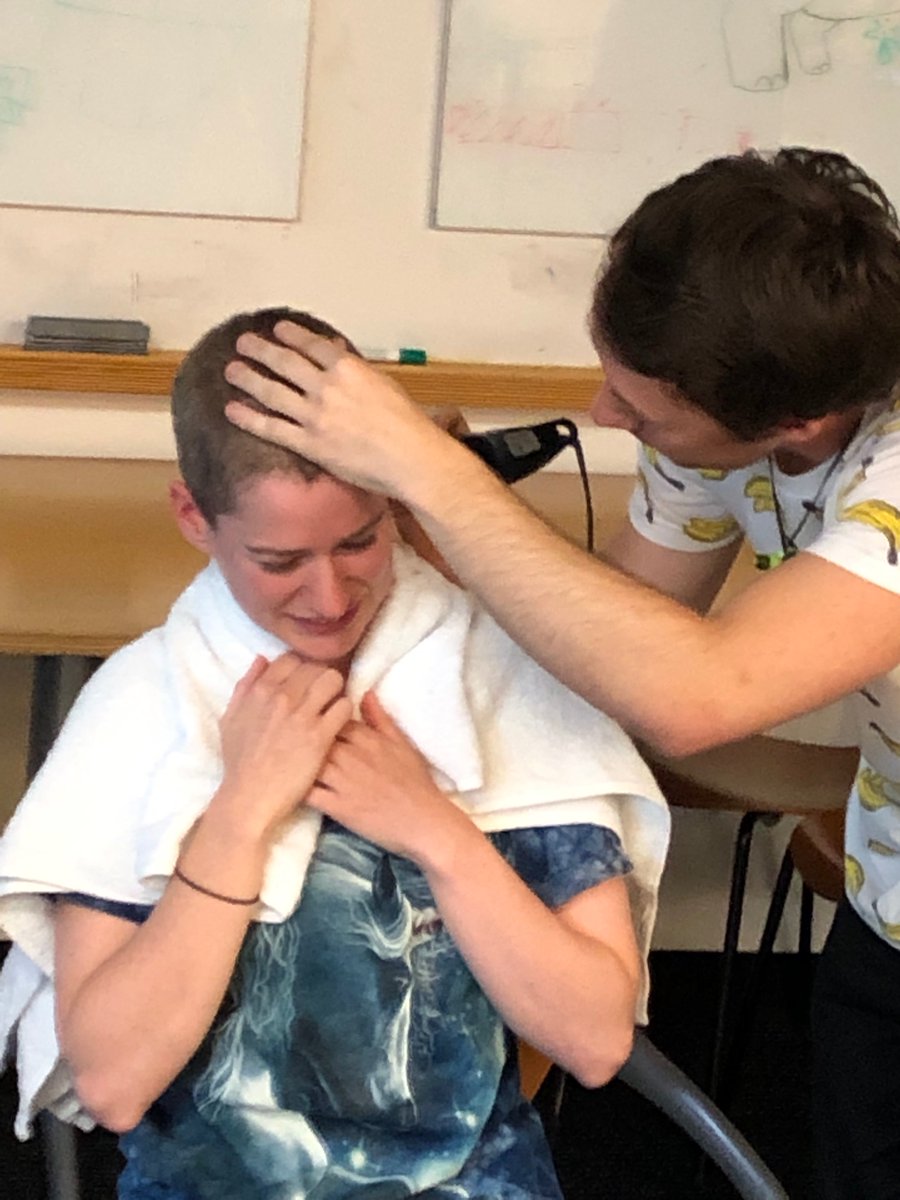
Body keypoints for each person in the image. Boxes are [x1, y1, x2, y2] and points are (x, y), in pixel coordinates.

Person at [221, 148, 900, 1199]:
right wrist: (445, 522)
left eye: (643, 408)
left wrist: (430, 473)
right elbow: (615, 636)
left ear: (793, 423)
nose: (604, 412)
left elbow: (694, 695)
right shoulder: (730, 425)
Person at [0, 308, 669, 1199]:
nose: (329, 596)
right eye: (280, 560)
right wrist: (240, 816)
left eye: (360, 540)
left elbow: (595, 1041)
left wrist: (435, 831)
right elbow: (115, 1085)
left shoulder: (498, 680)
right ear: (193, 516)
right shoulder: (142, 707)